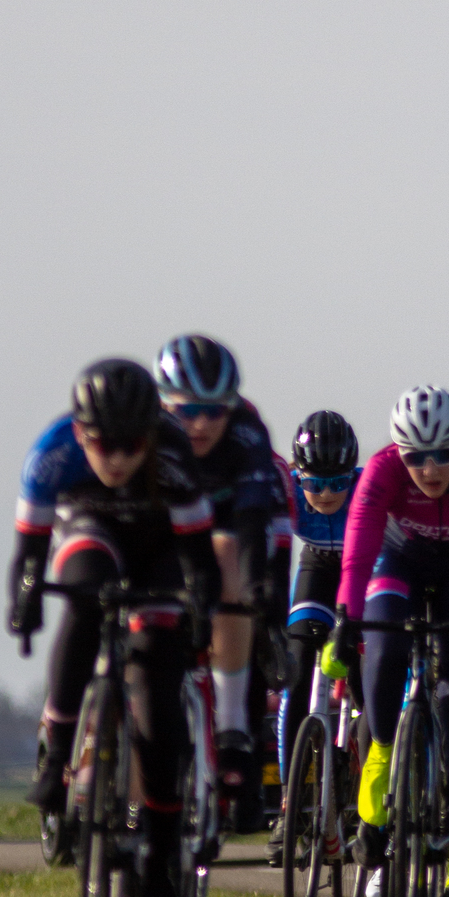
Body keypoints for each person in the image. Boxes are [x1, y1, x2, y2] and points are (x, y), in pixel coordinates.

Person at [8, 358, 219, 897]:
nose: (119, 459)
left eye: (132, 446)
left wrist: (199, 617)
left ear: (150, 436)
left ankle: (160, 854)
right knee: (81, 600)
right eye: (104, 445)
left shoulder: (174, 458)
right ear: (81, 434)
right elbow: (29, 557)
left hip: (160, 550)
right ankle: (57, 752)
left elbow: (200, 563)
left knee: (156, 691)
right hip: (90, 533)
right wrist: (23, 605)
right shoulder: (52, 454)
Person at [325, 386, 449, 897]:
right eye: (416, 456)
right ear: (399, 452)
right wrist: (346, 622)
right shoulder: (382, 471)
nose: (431, 468)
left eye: (443, 454)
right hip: (400, 561)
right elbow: (357, 555)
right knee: (385, 646)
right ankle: (381, 756)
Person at [154, 334, 281, 831]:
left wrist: (256, 594)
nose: (202, 424)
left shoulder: (248, 433)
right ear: (164, 404)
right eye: (188, 412)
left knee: (237, 573)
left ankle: (231, 733)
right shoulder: (146, 430)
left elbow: (253, 527)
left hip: (231, 524)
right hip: (160, 525)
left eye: (215, 410)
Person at [266, 411, 361, 870]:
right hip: (318, 567)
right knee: (298, 673)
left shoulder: (368, 491)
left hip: (364, 569)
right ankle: (289, 806)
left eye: (338, 482)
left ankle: (367, 793)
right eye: (314, 483)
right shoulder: (286, 493)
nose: (325, 494)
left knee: (368, 678)